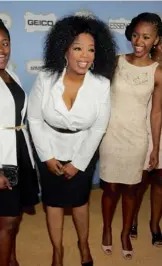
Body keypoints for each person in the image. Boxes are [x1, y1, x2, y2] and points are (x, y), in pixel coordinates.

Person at [28, 14, 116, 266]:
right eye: (78, 48)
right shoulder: (46, 79)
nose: (85, 56)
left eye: (90, 49)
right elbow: (34, 119)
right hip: (49, 150)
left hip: (83, 151)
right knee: (53, 203)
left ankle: (83, 245)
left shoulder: (101, 85)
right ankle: (57, 251)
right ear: (64, 50)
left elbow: (99, 128)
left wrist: (78, 162)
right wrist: (47, 156)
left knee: (79, 202)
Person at [99, 12, 162, 260]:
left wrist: (155, 147)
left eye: (146, 37)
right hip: (111, 135)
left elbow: (156, 113)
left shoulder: (158, 72)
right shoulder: (115, 62)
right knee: (111, 188)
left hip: (138, 138)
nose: (139, 41)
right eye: (135, 34)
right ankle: (106, 229)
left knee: (131, 191)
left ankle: (125, 232)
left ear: (156, 41)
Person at [0, 14, 39, 266]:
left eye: (5, 42)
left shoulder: (10, 74)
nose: (0, 49)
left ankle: (12, 261)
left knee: (13, 218)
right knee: (5, 222)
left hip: (18, 152)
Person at [130, 36, 162, 246]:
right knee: (138, 180)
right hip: (142, 126)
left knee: (160, 180)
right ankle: (131, 220)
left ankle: (154, 224)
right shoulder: (143, 66)